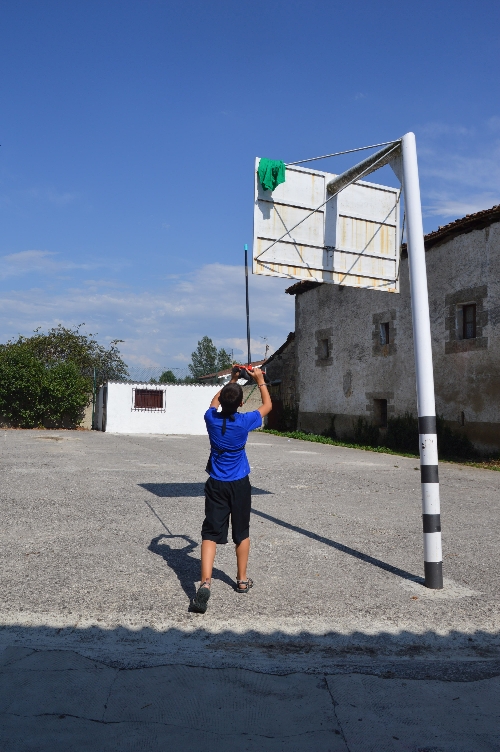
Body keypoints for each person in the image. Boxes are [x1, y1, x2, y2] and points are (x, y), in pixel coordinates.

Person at [190, 366, 272, 613]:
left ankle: (205, 583)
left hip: (216, 483)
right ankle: (242, 580)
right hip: (239, 484)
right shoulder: (244, 421)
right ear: (241, 403)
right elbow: (267, 406)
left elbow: (213, 402)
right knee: (241, 531)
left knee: (210, 532)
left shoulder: (211, 419)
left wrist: (233, 379)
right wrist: (259, 380)